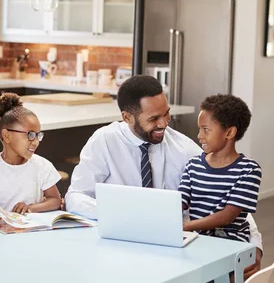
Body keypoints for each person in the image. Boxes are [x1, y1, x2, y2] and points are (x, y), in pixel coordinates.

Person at [65, 75, 263, 278]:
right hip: (118, 247)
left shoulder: (184, 148)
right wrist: (121, 214)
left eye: (166, 115)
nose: (164, 124)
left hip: (173, 252)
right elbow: (76, 196)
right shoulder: (104, 142)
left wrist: (255, 245)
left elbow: (231, 200)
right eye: (153, 119)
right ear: (127, 118)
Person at [180, 94, 262, 243]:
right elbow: (179, 202)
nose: (199, 135)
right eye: (199, 129)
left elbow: (227, 216)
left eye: (206, 129)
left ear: (229, 132)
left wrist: (186, 226)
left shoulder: (249, 170)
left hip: (232, 244)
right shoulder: (193, 165)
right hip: (198, 240)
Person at [0, 92, 62, 214]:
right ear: (7, 136)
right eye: (30, 135)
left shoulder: (42, 166)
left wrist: (30, 208)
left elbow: (55, 200)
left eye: (38, 135)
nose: (35, 142)